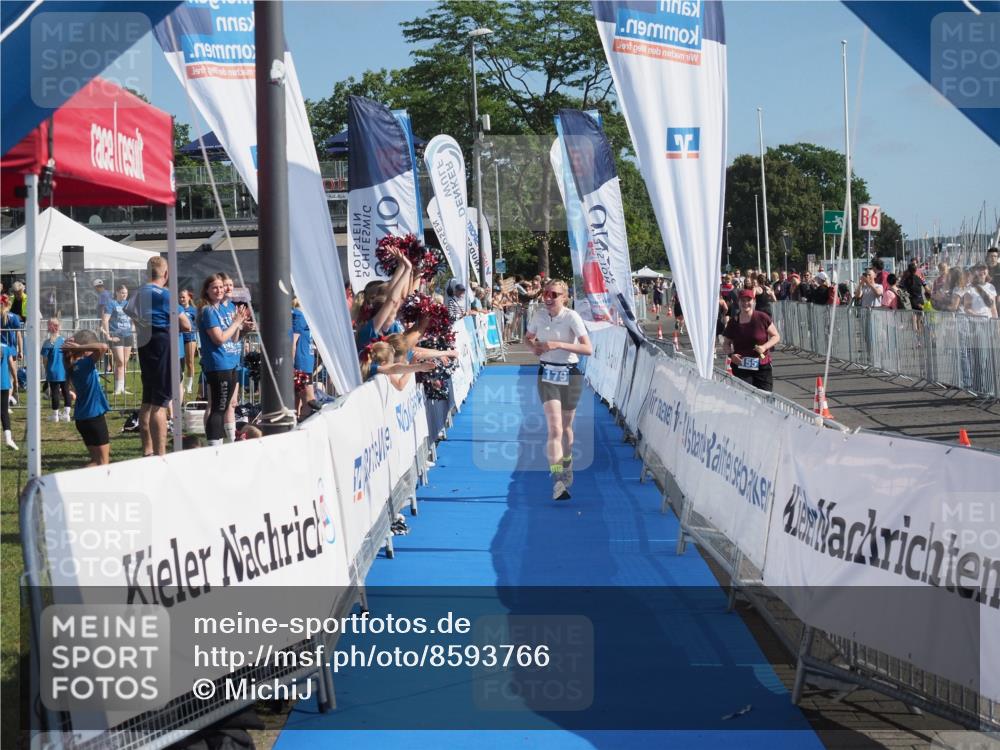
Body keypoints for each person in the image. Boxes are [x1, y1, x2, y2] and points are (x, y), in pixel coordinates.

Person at [525, 279, 593, 502]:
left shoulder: (572, 317)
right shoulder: (538, 315)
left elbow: (587, 349)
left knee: (566, 427)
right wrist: (534, 347)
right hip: (547, 374)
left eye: (553, 294)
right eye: (545, 293)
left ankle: (567, 462)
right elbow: (528, 338)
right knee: (554, 429)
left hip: (570, 373)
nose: (547, 297)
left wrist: (559, 344)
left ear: (564, 297)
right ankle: (557, 481)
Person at [126, 256, 191, 456]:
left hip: (146, 346)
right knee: (160, 404)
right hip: (164, 347)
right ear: (166, 273)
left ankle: (148, 450)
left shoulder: (137, 293)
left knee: (147, 400)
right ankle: (161, 454)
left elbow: (130, 313)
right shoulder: (166, 295)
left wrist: (145, 325)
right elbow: (186, 325)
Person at [198, 273, 249, 446]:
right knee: (218, 407)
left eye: (221, 287)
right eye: (215, 287)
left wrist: (241, 325)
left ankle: (225, 441)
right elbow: (218, 338)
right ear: (207, 291)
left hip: (230, 362)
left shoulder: (225, 308)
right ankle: (214, 446)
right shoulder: (208, 311)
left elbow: (233, 338)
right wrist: (235, 323)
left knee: (227, 405)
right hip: (218, 364)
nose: (220, 290)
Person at [62, 330, 111, 466]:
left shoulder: (71, 366)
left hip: (82, 419)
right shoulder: (85, 365)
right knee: (103, 463)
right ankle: (73, 482)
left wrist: (76, 348)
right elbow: (102, 347)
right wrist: (79, 347)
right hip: (94, 417)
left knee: (96, 461)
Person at [723, 289, 781, 392]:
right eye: (743, 300)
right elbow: (726, 344)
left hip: (762, 365)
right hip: (741, 366)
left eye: (748, 300)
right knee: (746, 397)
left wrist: (764, 347)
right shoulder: (734, 322)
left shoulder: (762, 317)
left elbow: (776, 336)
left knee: (765, 396)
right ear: (738, 302)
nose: (746, 303)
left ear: (753, 301)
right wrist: (731, 355)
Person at [101, 284, 134, 394]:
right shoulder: (111, 304)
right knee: (119, 361)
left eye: (126, 293)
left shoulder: (129, 304)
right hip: (116, 335)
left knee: (125, 362)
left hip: (128, 335)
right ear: (117, 293)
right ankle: (117, 388)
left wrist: (133, 330)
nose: (124, 295)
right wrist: (108, 335)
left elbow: (133, 319)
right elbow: (105, 320)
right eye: (122, 293)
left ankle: (122, 387)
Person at [41, 318, 72, 422]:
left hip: (52, 370)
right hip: (64, 370)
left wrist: (46, 370)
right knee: (66, 391)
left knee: (55, 392)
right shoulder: (64, 341)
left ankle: (55, 415)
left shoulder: (47, 343)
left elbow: (44, 360)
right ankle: (67, 414)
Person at [291, 297, 317, 419]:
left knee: (299, 398)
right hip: (301, 363)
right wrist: (291, 364)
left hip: (307, 362)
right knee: (309, 400)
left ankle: (296, 423)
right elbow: (294, 341)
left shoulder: (305, 317)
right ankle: (302, 423)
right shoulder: (299, 316)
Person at [179, 289, 199, 395]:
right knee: (180, 362)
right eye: (180, 297)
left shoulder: (194, 310)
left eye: (183, 297)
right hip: (179, 337)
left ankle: (189, 385)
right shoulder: (177, 309)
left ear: (189, 298)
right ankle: (180, 384)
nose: (181, 299)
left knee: (190, 362)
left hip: (190, 338)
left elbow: (197, 323)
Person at [1, 337, 17, 450]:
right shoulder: (5, 347)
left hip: (4, 384)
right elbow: (11, 364)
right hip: (4, 383)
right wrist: (16, 379)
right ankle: (8, 439)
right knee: (4, 412)